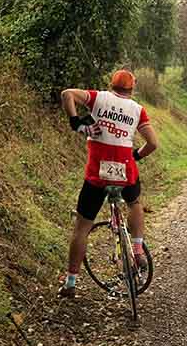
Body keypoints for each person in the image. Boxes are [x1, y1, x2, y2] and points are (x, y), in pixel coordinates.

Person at [58, 69, 159, 298]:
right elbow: (153, 143)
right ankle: (137, 248)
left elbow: (67, 94)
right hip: (125, 171)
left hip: (97, 175)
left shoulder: (98, 98)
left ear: (111, 85)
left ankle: (71, 282)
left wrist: (76, 123)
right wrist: (136, 156)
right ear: (132, 89)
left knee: (82, 227)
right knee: (134, 204)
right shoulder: (137, 110)